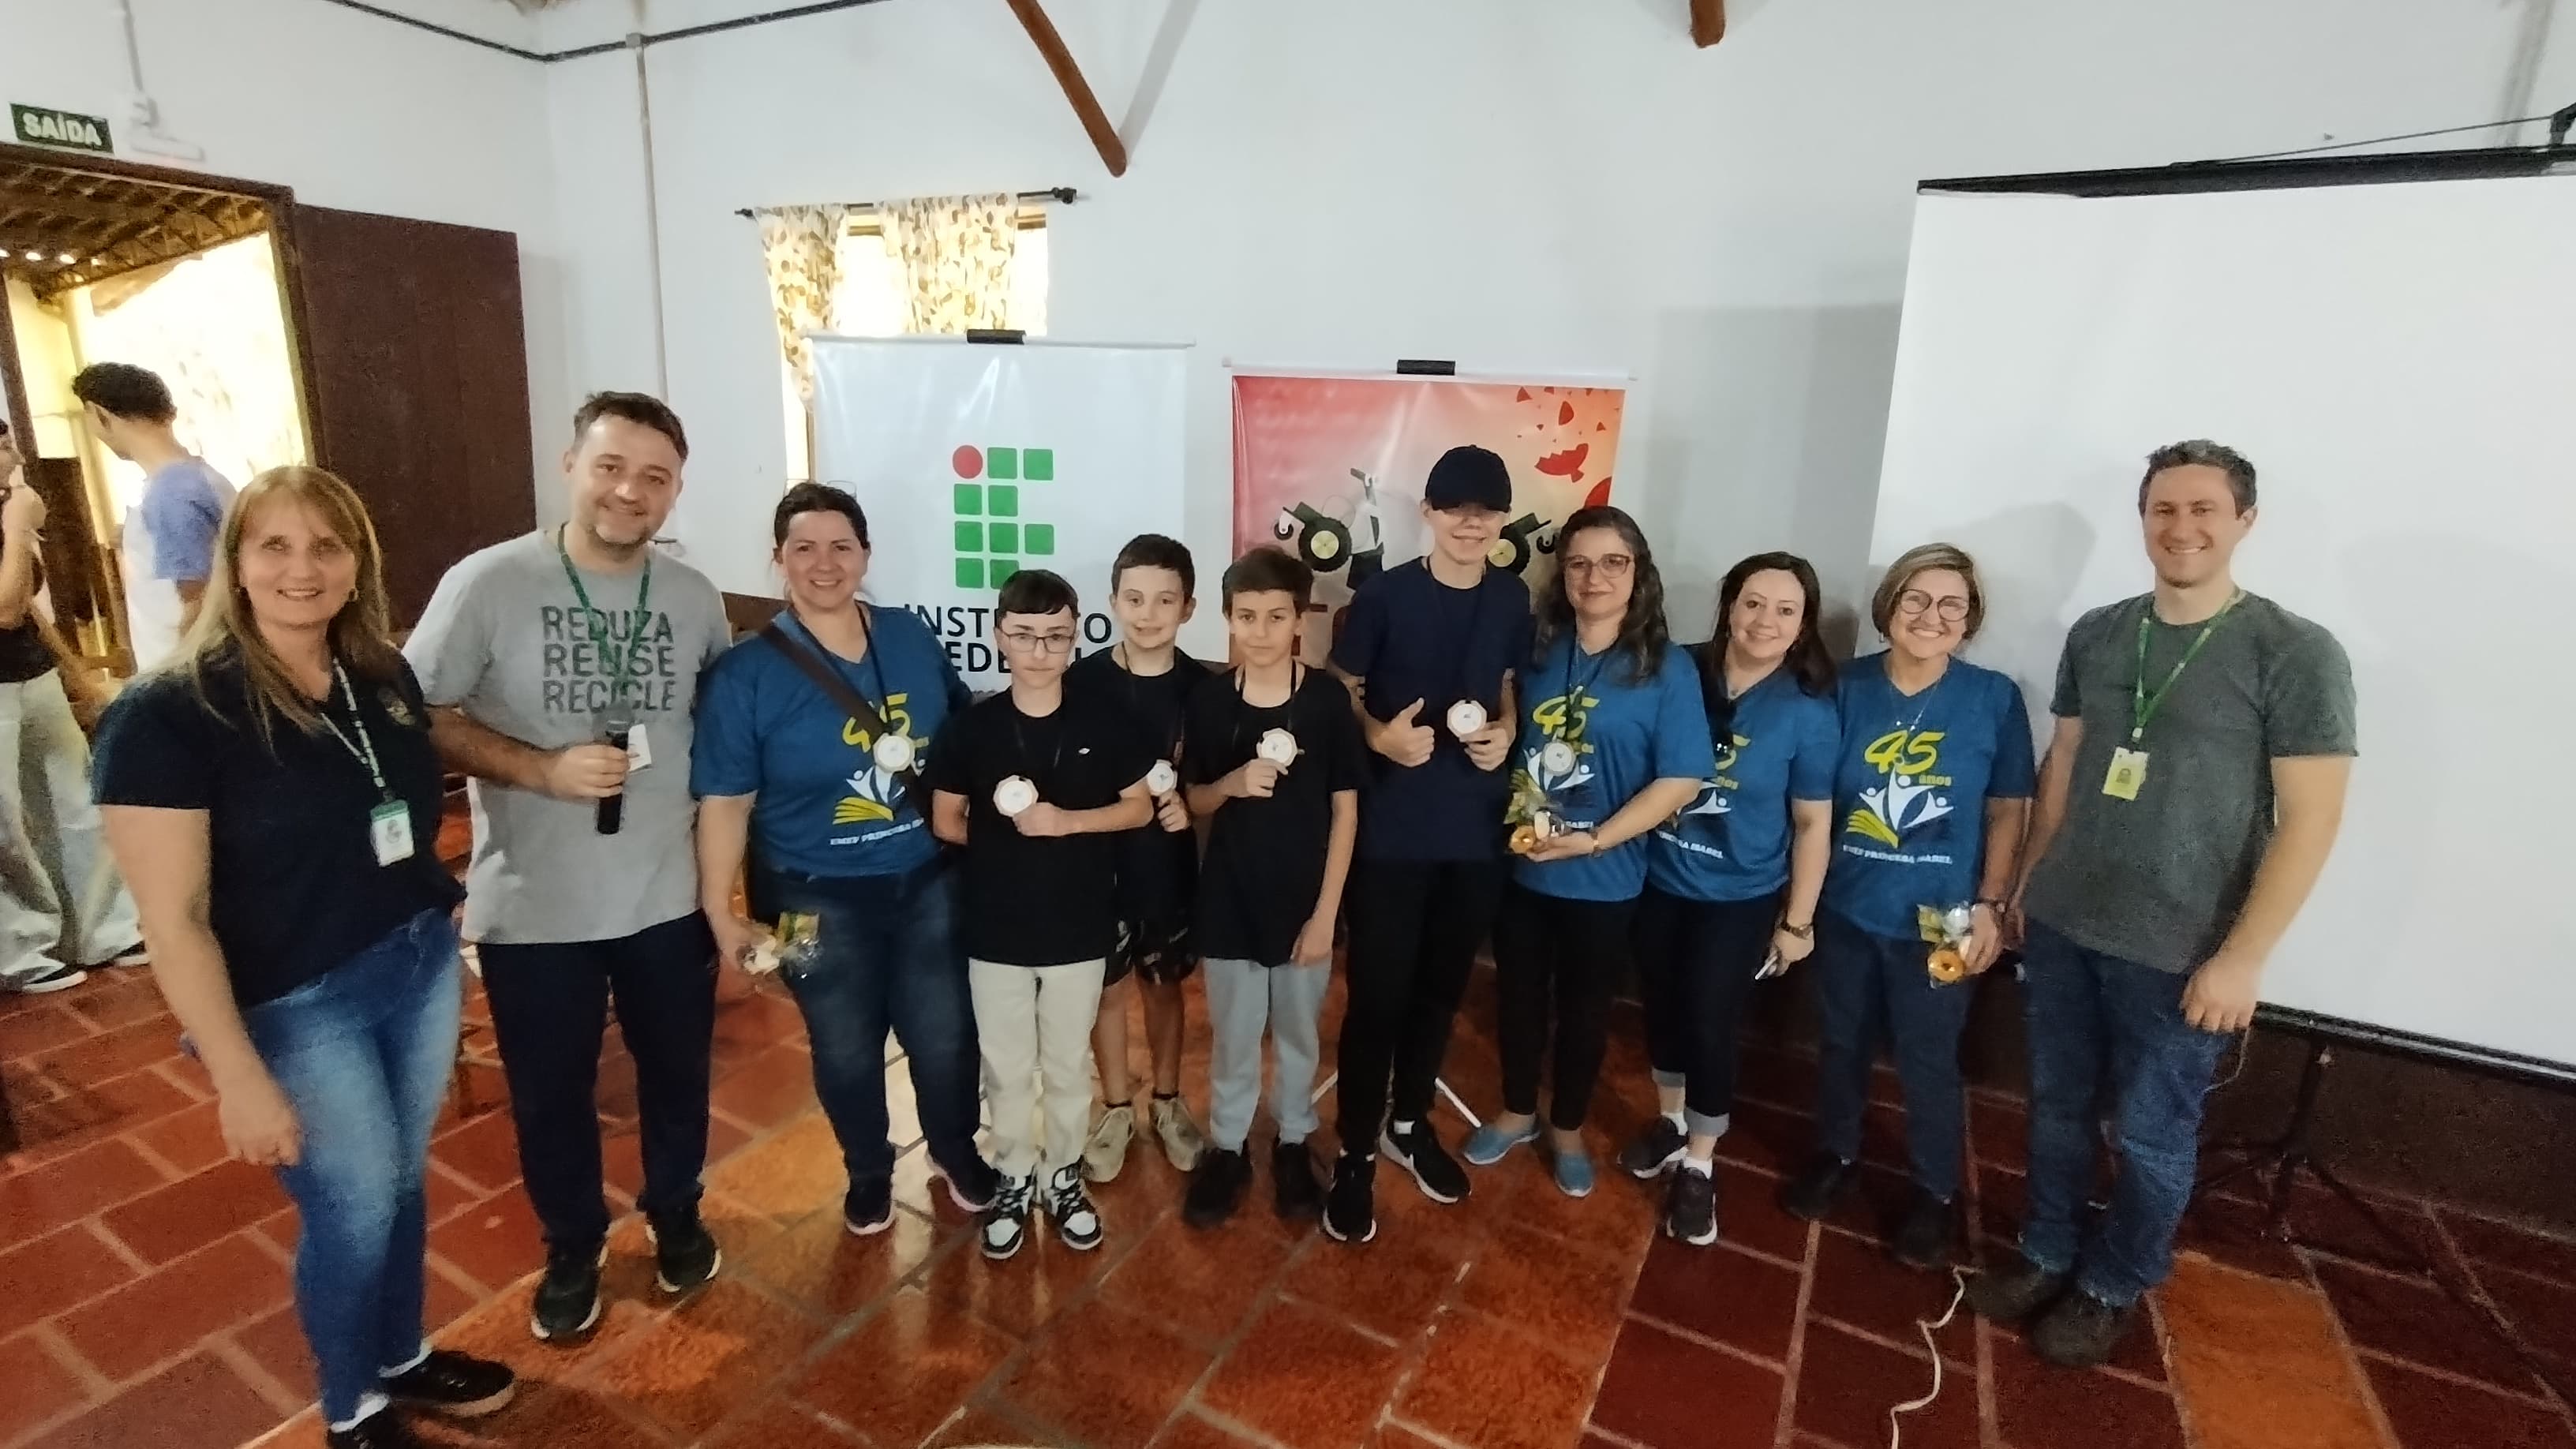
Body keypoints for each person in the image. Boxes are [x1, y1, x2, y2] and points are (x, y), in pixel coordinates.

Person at [91, 466, 515, 1449]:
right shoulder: (167, 715)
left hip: (412, 962)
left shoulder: (379, 676)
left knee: (400, 1179)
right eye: (274, 546)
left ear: (357, 562)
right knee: (352, 1201)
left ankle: (401, 1356)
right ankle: (350, 1407)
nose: (302, 569)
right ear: (234, 562)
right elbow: (174, 919)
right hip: (296, 1000)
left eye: (327, 546)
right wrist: (237, 1075)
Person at [1970, 441, 2355, 1365]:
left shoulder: (2295, 652)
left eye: (2204, 509)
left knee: (2149, 1135)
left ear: (2245, 521)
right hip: (2065, 921)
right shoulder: (2102, 632)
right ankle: (2047, 1250)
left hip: (2182, 949)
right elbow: (2067, 760)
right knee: (2058, 1107)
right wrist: (2027, 881)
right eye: (2164, 510)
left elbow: (2312, 818)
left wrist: (2243, 958)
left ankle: (2113, 1281)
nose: (2181, 528)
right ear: (2143, 519)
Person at [406, 393, 731, 1342]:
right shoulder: (488, 582)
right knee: (551, 1095)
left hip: (666, 894)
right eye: (610, 467)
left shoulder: (693, 596)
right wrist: (536, 769)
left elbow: (722, 719)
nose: (630, 492)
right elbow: (415, 712)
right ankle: (573, 1243)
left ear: (675, 491)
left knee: (678, 1077)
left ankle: (676, 1210)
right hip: (535, 905)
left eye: (655, 477)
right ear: (570, 466)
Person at [691, 483, 998, 1236]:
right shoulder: (745, 675)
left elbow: (961, 735)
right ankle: (867, 1169)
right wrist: (719, 911)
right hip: (808, 899)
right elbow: (726, 803)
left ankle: (955, 1150)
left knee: (946, 1035)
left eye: (841, 546)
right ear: (778, 559)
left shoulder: (909, 636)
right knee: (844, 1046)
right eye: (804, 548)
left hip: (927, 881)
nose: (824, 563)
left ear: (866, 555)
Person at [1777, 544, 2034, 1271]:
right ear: (1889, 606)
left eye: (1952, 604)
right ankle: (1836, 1153)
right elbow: (1813, 799)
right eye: (1916, 599)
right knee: (1841, 1040)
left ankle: (1934, 1192)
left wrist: (1992, 904)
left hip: (1944, 918)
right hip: (1848, 905)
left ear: (1970, 620)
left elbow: (2009, 809)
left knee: (1928, 1057)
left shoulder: (1993, 698)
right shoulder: (1845, 687)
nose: (1931, 616)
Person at [1458, 506, 1709, 1196]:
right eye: (1578, 563)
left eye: (1612, 562)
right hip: (1523, 866)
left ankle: (1566, 1126)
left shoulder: (1667, 668)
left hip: (1606, 875)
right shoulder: (1538, 649)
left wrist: (1596, 839)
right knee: (1517, 998)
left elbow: (1683, 778)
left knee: (1586, 1011)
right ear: (1561, 574)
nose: (1594, 577)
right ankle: (1518, 1111)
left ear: (1639, 574)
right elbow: (1506, 715)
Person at [1323, 444, 1532, 1245]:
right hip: (1394, 833)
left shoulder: (1512, 597)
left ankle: (1407, 1124)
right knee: (1377, 999)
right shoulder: (1385, 595)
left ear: (1502, 520)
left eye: (1486, 511)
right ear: (1429, 513)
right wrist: (1378, 736)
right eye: (1456, 509)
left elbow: (1509, 683)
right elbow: (1338, 687)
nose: (1471, 524)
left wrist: (1506, 729)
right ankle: (1354, 1153)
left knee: (1441, 994)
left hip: (1475, 834)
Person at [927, 569, 1154, 1261]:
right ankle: (1014, 1176)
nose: (1039, 650)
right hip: (995, 928)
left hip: (1078, 927)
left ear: (1075, 636)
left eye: (1056, 636)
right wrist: (1004, 844)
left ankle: (1062, 1175)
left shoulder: (1104, 721)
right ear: (1000, 637)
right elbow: (945, 818)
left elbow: (1138, 807)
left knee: (1065, 1063)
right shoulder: (972, 728)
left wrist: (1067, 823)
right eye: (1024, 635)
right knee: (1005, 1065)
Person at [1623, 552, 1839, 1245]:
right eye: (1752, 603)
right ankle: (1670, 1120)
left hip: (1739, 896)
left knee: (1711, 1023)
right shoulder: (1678, 671)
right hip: (1659, 878)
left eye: (1785, 610)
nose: (1765, 621)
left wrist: (1797, 922)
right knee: (1662, 1007)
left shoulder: (1807, 710)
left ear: (1803, 625)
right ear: (1729, 607)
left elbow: (1812, 823)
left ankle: (1700, 1164)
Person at [1178, 547, 1364, 1229]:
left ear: (1299, 620)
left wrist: (1327, 914)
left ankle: (1292, 1137)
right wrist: (1230, 783)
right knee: (1233, 1035)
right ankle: (1228, 1146)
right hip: (1230, 900)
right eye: (1246, 616)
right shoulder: (1208, 701)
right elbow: (1194, 799)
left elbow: (1346, 810)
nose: (1260, 631)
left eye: (1276, 616)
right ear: (1228, 619)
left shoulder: (1325, 702)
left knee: (1297, 1032)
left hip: (1304, 904)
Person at [1066, 534, 1212, 1181]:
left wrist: (1190, 807)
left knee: (1164, 986)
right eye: (1134, 599)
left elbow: (1209, 782)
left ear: (1189, 608)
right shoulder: (1082, 683)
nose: (1147, 614)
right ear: (1113, 602)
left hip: (1166, 869)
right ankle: (1116, 1107)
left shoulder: (1203, 690)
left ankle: (1169, 1101)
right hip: (1096, 868)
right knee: (1105, 990)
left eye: (1164, 600)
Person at [2, 419, 144, 994]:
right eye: (1, 444)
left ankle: (103, 929)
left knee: (74, 800)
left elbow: (28, 612)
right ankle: (22, 951)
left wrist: (77, 675)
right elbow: (4, 607)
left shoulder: (8, 509)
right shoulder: (14, 517)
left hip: (31, 673)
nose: (11, 452)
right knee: (6, 824)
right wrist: (17, 528)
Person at [69, 362, 235, 668]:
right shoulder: (196, 479)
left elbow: (196, 601)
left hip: (184, 669)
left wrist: (182, 680)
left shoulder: (172, 492)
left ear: (99, 414)